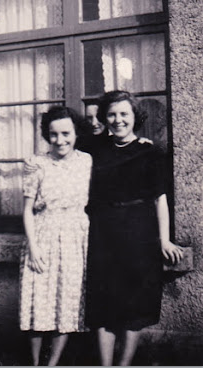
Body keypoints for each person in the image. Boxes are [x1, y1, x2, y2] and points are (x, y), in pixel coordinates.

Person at [85, 90, 183, 366]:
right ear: (104, 117)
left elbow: (159, 198)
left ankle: (124, 365)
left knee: (135, 301)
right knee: (102, 301)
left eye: (124, 114)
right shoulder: (93, 149)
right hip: (102, 232)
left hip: (140, 233)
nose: (118, 120)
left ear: (134, 116)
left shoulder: (149, 152)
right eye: (112, 114)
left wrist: (164, 240)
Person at [19, 106, 92, 366]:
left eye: (66, 133)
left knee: (67, 302)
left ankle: (53, 364)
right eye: (53, 134)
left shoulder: (86, 161)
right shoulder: (37, 164)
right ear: (46, 136)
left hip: (76, 237)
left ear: (76, 133)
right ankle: (36, 362)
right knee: (40, 300)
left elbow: (116, 144)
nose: (60, 140)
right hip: (44, 235)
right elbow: (27, 210)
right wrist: (34, 247)